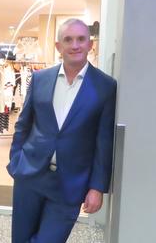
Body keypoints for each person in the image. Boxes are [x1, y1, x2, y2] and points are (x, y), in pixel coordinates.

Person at [7, 18, 117, 242]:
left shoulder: (106, 86)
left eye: (81, 39)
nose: (75, 45)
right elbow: (23, 124)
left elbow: (104, 141)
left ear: (90, 44)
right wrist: (15, 161)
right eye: (68, 39)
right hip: (30, 175)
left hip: (70, 183)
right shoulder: (40, 79)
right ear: (59, 46)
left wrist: (97, 187)